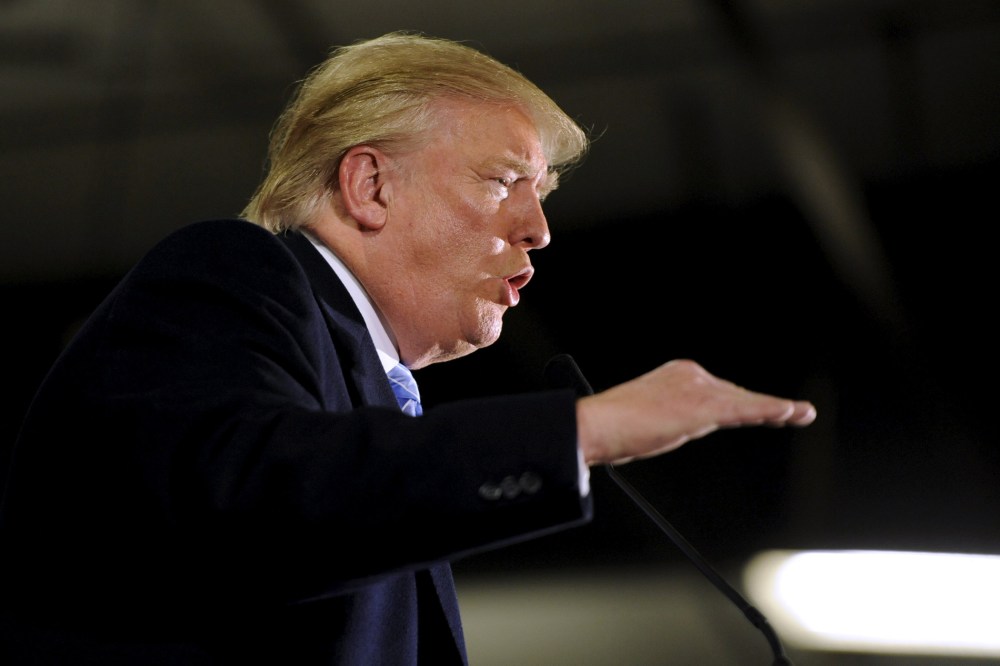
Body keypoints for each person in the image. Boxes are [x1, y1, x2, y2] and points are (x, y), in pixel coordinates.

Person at [0, 31, 816, 664]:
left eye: (542, 197)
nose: (537, 229)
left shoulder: (375, 399)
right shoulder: (234, 273)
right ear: (371, 186)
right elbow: (256, 492)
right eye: (503, 182)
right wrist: (580, 433)